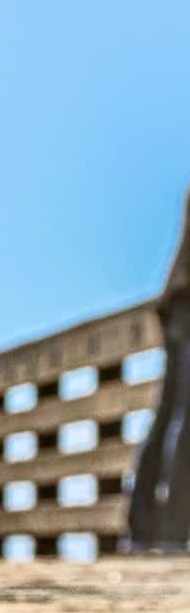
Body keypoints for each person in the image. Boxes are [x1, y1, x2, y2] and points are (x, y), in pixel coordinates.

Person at [128, 187, 190, 548]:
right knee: (184, 416)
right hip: (186, 303)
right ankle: (171, 530)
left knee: (169, 413)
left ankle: (142, 528)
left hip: (177, 302)